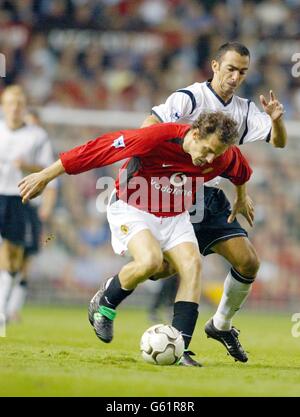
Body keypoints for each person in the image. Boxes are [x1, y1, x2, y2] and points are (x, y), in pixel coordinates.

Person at [19, 111, 252, 367]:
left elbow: (239, 169)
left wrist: (241, 197)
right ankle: (106, 302)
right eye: (207, 150)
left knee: (191, 265)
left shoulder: (222, 154)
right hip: (133, 207)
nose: (209, 159)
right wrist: (45, 175)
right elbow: (97, 149)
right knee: (150, 261)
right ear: (194, 134)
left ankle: (180, 348)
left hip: (175, 215)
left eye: (215, 154)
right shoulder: (157, 138)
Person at [141, 42, 287, 362]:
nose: (236, 77)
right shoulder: (189, 98)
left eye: (243, 72)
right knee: (163, 269)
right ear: (215, 66)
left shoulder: (245, 110)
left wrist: (275, 120)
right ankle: (116, 293)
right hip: (178, 191)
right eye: (231, 69)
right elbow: (150, 127)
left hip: (211, 196)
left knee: (248, 262)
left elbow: (278, 142)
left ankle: (220, 325)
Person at [0, 85, 56, 322]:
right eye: (11, 103)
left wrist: (26, 166)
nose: (15, 108)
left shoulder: (37, 136)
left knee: (14, 255)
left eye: (19, 104)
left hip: (18, 198)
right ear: (3, 106)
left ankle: (5, 305)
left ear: (24, 108)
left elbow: (46, 169)